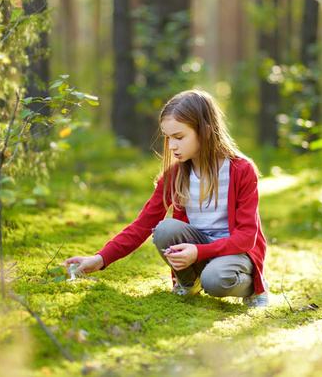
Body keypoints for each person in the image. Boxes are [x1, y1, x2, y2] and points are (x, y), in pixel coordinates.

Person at [64, 90, 268, 307]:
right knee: (165, 229)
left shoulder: (241, 170)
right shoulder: (175, 175)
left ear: (206, 131)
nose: (172, 146)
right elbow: (143, 225)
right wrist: (100, 259)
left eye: (179, 137)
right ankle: (188, 283)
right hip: (197, 251)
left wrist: (200, 251)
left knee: (214, 280)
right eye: (168, 137)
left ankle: (255, 288)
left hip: (234, 253)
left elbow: (246, 236)